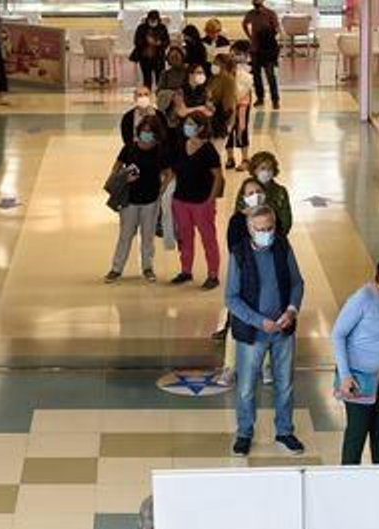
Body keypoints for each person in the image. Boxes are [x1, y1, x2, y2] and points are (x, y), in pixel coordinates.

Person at [226, 205, 305, 457]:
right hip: (252, 335)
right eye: (261, 229)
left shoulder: (282, 247)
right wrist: (259, 322)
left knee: (285, 384)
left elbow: (297, 282)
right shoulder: (238, 254)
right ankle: (244, 433)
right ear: (250, 229)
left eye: (270, 228)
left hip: (283, 330)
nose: (267, 233)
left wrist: (291, 310)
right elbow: (231, 298)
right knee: (247, 386)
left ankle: (284, 431)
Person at [332, 257, 379, 465]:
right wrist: (345, 375)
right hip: (360, 378)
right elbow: (338, 335)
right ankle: (349, 479)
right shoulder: (362, 299)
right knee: (357, 431)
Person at [210, 177, 268, 388]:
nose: (255, 196)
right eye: (250, 192)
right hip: (244, 276)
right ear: (243, 198)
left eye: (258, 191)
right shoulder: (237, 221)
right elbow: (234, 248)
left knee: (266, 319)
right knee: (239, 321)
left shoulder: (270, 217)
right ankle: (230, 366)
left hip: (266, 276)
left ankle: (265, 365)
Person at [106, 117, 171, 284]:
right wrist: (121, 177)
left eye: (150, 132)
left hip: (150, 200)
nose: (146, 134)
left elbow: (168, 173)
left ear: (156, 134)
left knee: (148, 236)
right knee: (125, 235)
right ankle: (116, 268)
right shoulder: (129, 148)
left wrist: (161, 189)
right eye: (144, 130)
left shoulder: (161, 150)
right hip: (129, 200)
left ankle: (147, 267)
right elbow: (117, 166)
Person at [168, 113, 223, 288]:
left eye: (191, 124)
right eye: (186, 123)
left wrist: (210, 199)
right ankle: (186, 271)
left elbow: (218, 177)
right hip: (181, 200)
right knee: (185, 237)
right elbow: (172, 172)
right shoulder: (180, 146)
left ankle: (213, 274)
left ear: (200, 128)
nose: (187, 126)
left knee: (208, 238)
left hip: (201, 202)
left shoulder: (208, 150)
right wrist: (163, 191)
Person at [242, 0, 282, 108]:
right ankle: (260, 98)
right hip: (255, 49)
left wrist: (270, 37)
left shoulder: (270, 13)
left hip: (267, 50)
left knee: (270, 75)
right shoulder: (250, 14)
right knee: (256, 76)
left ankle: (275, 99)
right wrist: (250, 37)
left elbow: (277, 28)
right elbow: (244, 24)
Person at [220, 49, 252, 170]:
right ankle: (230, 158)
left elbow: (240, 93)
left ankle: (245, 159)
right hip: (227, 107)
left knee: (241, 129)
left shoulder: (245, 77)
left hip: (241, 106)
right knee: (227, 131)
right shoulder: (221, 77)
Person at [132, 11, 171, 90]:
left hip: (159, 57)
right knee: (147, 78)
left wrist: (159, 43)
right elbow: (136, 41)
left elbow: (167, 41)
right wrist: (146, 42)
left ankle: (160, 96)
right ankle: (146, 96)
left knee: (160, 78)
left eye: (155, 20)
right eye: (151, 20)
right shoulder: (141, 28)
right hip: (145, 57)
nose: (153, 21)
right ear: (148, 19)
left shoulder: (162, 28)